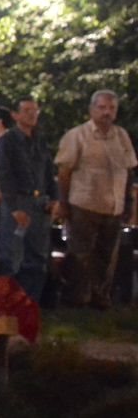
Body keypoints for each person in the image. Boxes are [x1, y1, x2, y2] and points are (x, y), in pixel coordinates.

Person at [56, 90, 138, 309]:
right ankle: (76, 298)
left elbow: (128, 171)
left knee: (107, 255)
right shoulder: (77, 135)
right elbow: (64, 172)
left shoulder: (121, 136)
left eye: (111, 108)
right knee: (80, 254)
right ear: (92, 109)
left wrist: (129, 203)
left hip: (114, 206)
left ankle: (100, 297)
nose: (106, 112)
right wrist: (63, 203)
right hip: (84, 203)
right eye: (102, 108)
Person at [0, 97, 58, 302]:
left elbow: (49, 172)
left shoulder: (40, 141)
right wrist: (14, 207)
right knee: (12, 256)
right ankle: (9, 304)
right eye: (27, 110)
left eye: (35, 110)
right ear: (15, 115)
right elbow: (5, 175)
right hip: (18, 201)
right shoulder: (6, 142)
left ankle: (31, 302)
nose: (32, 115)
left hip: (40, 202)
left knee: (38, 257)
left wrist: (54, 198)